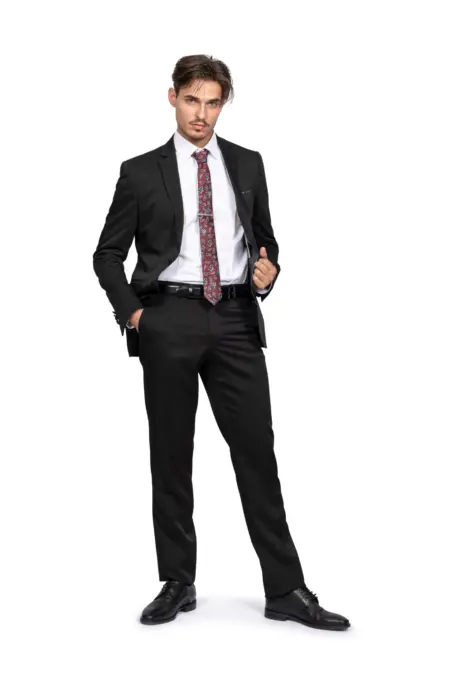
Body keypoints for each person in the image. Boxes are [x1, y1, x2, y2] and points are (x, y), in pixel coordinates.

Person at [93, 54, 350, 630]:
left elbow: (265, 241)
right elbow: (107, 254)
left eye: (212, 103)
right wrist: (136, 315)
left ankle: (285, 589)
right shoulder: (140, 172)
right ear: (172, 97)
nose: (201, 114)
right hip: (168, 318)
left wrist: (268, 272)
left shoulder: (248, 163)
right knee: (171, 454)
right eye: (192, 100)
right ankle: (177, 581)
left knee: (257, 452)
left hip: (235, 319)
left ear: (223, 104)